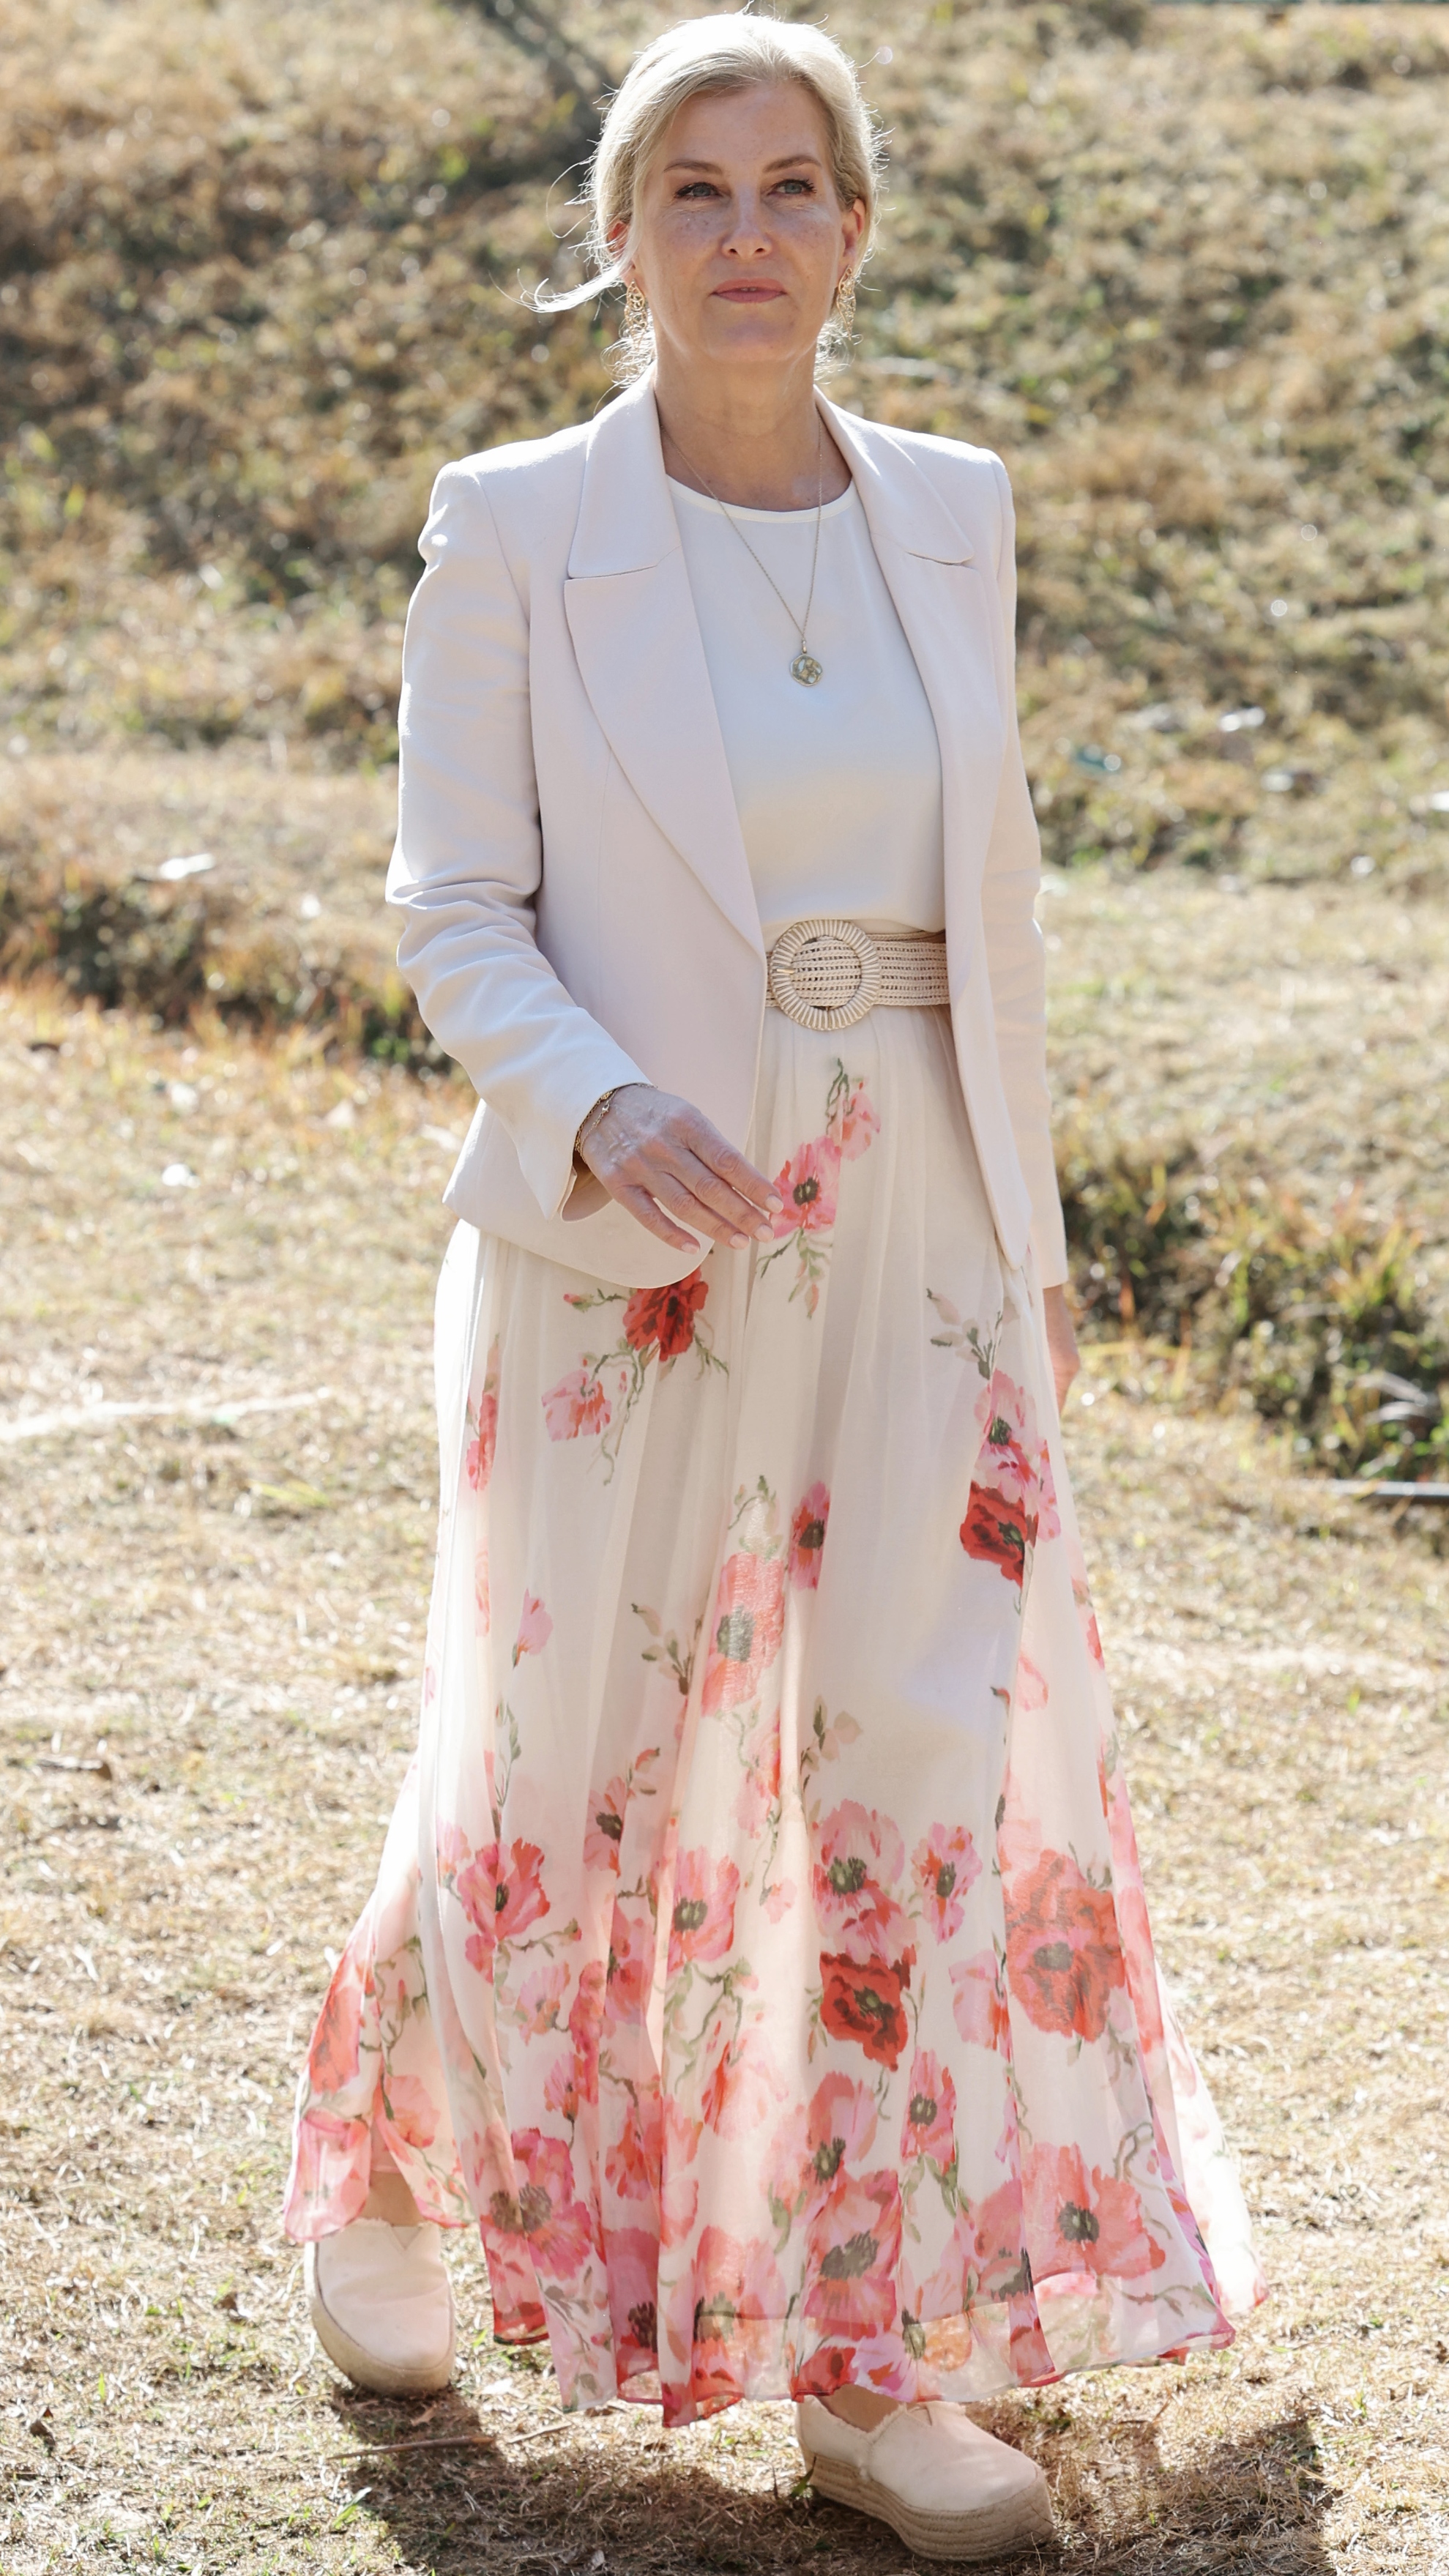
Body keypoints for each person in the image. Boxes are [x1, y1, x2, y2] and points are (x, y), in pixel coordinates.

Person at [283, 15, 1262, 2559]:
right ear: (617, 235)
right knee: (563, 1746)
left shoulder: (954, 505)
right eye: (692, 188)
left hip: (921, 1207)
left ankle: (867, 2345)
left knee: (927, 1751)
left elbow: (992, 918)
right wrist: (599, 1091)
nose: (745, 231)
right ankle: (398, 2174)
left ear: (854, 227)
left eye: (792, 185)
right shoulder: (514, 523)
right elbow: (449, 906)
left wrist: (1023, 1244)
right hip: (637, 1225)